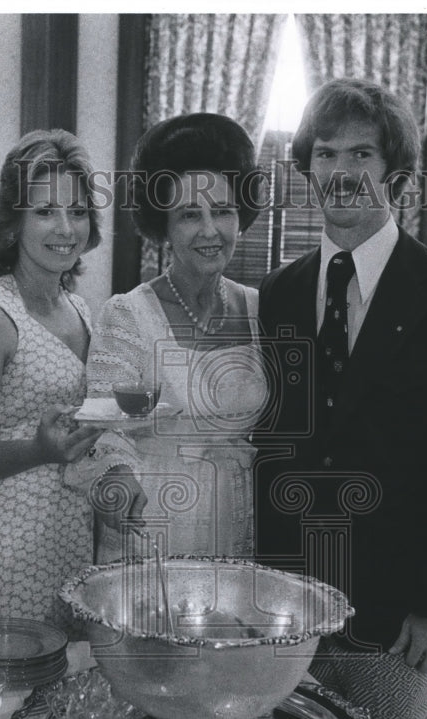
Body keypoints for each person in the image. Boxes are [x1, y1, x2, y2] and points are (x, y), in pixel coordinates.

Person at [254, 78, 427, 719]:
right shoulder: (281, 292)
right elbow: (279, 448)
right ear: (307, 169)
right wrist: (266, 591)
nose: (341, 172)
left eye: (361, 152)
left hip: (396, 612)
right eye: (325, 153)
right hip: (290, 606)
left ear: (393, 168)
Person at [76, 113, 268, 562]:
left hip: (237, 523)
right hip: (148, 524)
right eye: (189, 215)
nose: (209, 230)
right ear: (163, 226)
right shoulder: (128, 314)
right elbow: (105, 428)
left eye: (222, 211)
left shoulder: (263, 310)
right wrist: (115, 477)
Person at [0, 130, 103, 635]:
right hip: (6, 543)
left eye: (77, 212)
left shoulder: (78, 306)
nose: (65, 228)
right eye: (44, 211)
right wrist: (38, 450)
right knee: (2, 696)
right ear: (12, 224)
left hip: (70, 532)